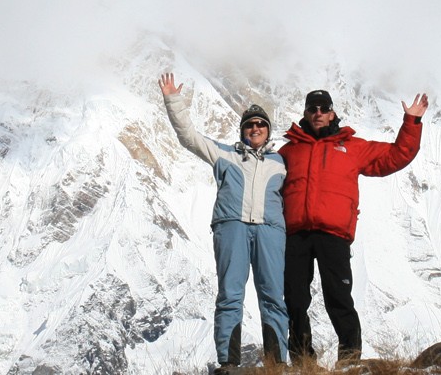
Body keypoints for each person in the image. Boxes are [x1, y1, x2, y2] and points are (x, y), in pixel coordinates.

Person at [279, 89, 427, 363]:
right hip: (296, 235)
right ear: (305, 113)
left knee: (338, 298)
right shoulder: (289, 150)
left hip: (333, 235)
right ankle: (302, 360)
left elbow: (396, 155)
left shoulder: (352, 146)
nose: (318, 113)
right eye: (313, 108)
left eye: (323, 108)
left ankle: (349, 359)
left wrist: (411, 123)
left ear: (332, 112)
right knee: (295, 299)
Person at [159, 73, 289, 369]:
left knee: (273, 297)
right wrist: (173, 100)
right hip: (232, 228)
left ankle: (277, 363)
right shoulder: (224, 155)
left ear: (268, 131)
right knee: (231, 294)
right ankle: (228, 363)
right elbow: (189, 137)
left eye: (260, 124)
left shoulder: (282, 162)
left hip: (270, 231)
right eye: (250, 125)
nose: (255, 128)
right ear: (243, 131)